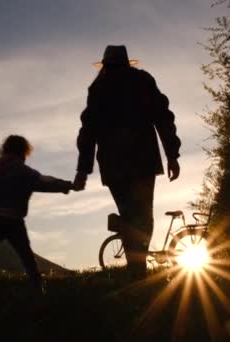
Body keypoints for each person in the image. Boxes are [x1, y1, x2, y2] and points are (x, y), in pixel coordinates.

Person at [73, 45, 182, 280]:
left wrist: (83, 169)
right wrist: (172, 154)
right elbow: (163, 117)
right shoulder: (140, 82)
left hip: (115, 164)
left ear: (105, 65)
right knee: (141, 214)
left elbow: (88, 131)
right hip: (140, 161)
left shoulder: (99, 88)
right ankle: (137, 267)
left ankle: (135, 266)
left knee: (132, 214)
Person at [0, 135, 72, 295]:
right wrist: (66, 185)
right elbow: (44, 182)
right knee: (27, 258)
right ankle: (38, 290)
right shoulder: (22, 170)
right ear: (22, 152)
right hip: (13, 221)